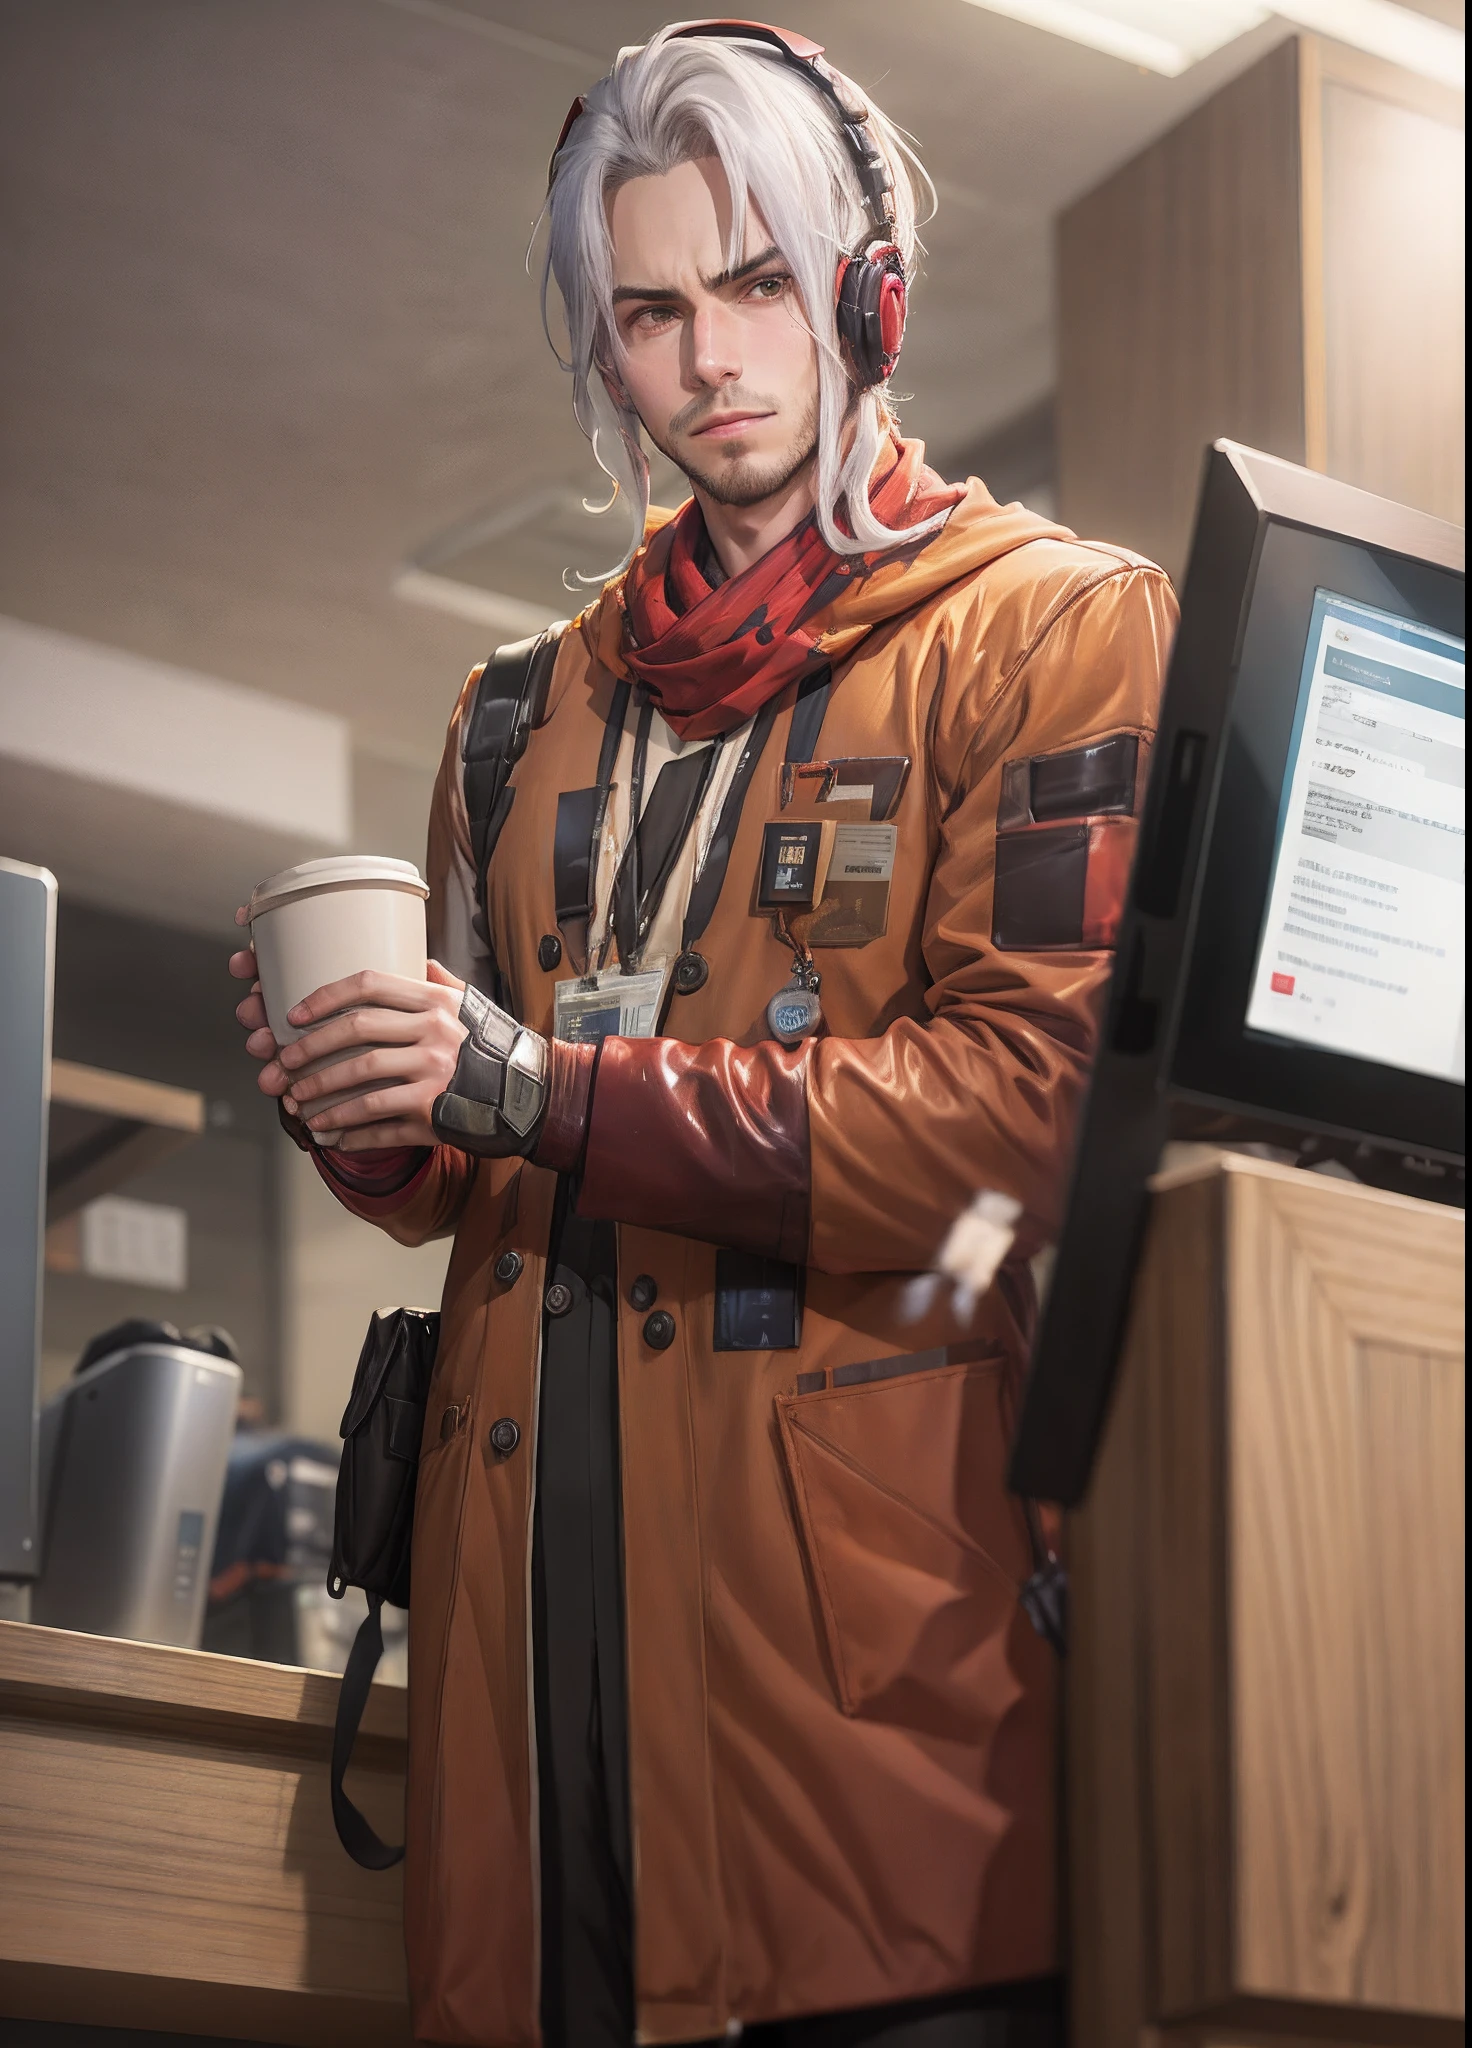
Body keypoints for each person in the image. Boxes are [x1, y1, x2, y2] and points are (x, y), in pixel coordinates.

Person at [231, 22, 1175, 2047]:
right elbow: (458, 1188)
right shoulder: (512, 716)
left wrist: (536, 1083)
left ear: (868, 288)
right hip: (522, 1694)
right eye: (649, 311)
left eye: (756, 287)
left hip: (865, 1722)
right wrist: (366, 1104)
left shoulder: (1056, 626)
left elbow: (1023, 1118)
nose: (709, 363)